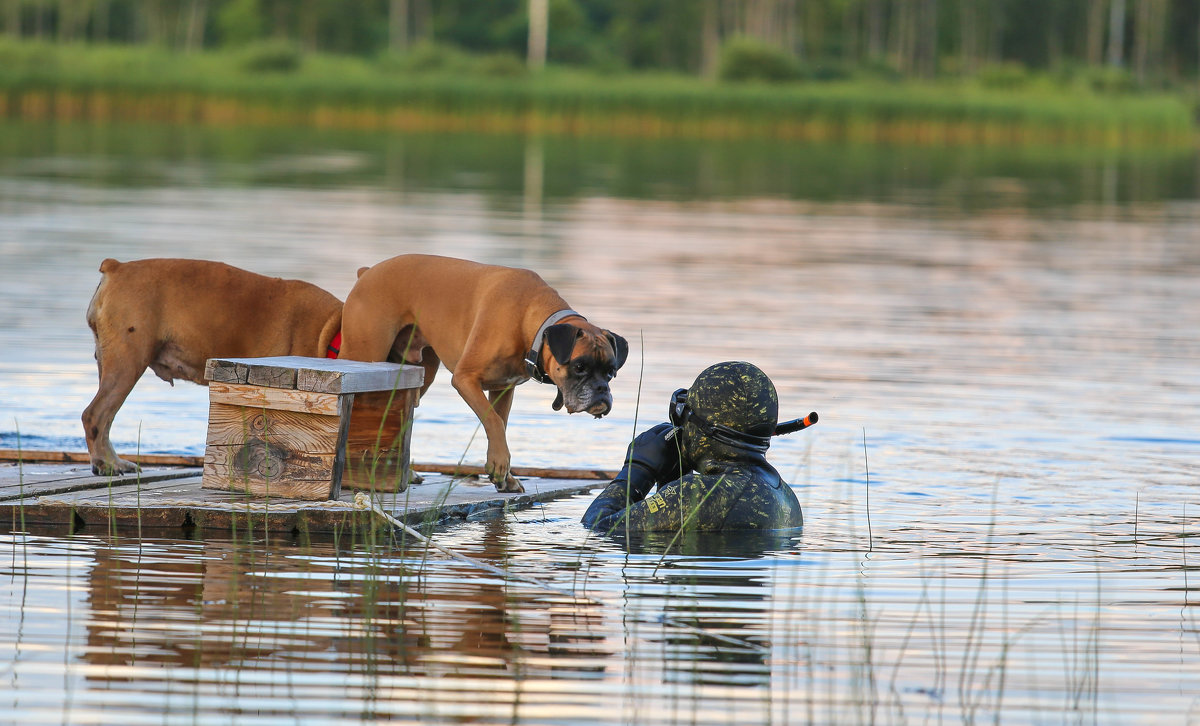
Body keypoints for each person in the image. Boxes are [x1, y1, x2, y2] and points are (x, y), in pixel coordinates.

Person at [582, 361, 809, 533]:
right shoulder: (785, 496)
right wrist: (675, 476)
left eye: (686, 415)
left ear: (704, 429)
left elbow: (597, 527)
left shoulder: (698, 494)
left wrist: (637, 471)